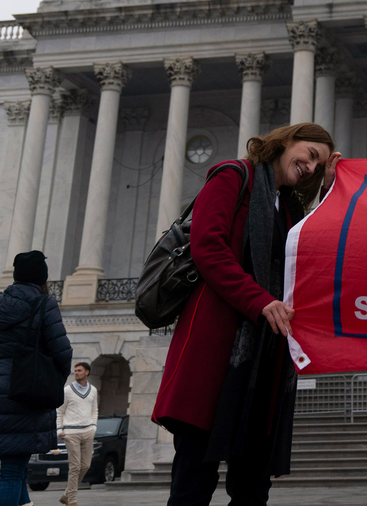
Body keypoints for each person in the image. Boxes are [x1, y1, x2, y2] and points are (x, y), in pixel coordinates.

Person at [152, 122, 338, 506]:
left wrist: (330, 188)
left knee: (253, 483)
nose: (312, 166)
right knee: (194, 477)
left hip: (264, 359)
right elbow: (208, 249)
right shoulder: (232, 176)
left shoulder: (287, 205)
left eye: (319, 165)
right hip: (216, 345)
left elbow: (310, 251)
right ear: (287, 141)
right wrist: (259, 301)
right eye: (311, 155)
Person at [0, 251, 72, 506]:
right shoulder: (43, 303)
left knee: (18, 468)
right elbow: (62, 352)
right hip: (27, 395)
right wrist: (50, 381)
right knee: (12, 472)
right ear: (42, 277)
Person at [57, 362, 99, 506]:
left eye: (79, 371)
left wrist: (93, 427)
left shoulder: (93, 390)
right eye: (75, 371)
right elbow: (59, 411)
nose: (76, 373)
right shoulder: (67, 390)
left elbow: (94, 410)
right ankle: (72, 500)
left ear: (87, 372)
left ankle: (66, 494)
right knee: (75, 467)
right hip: (71, 433)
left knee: (86, 465)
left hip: (88, 431)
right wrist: (59, 430)